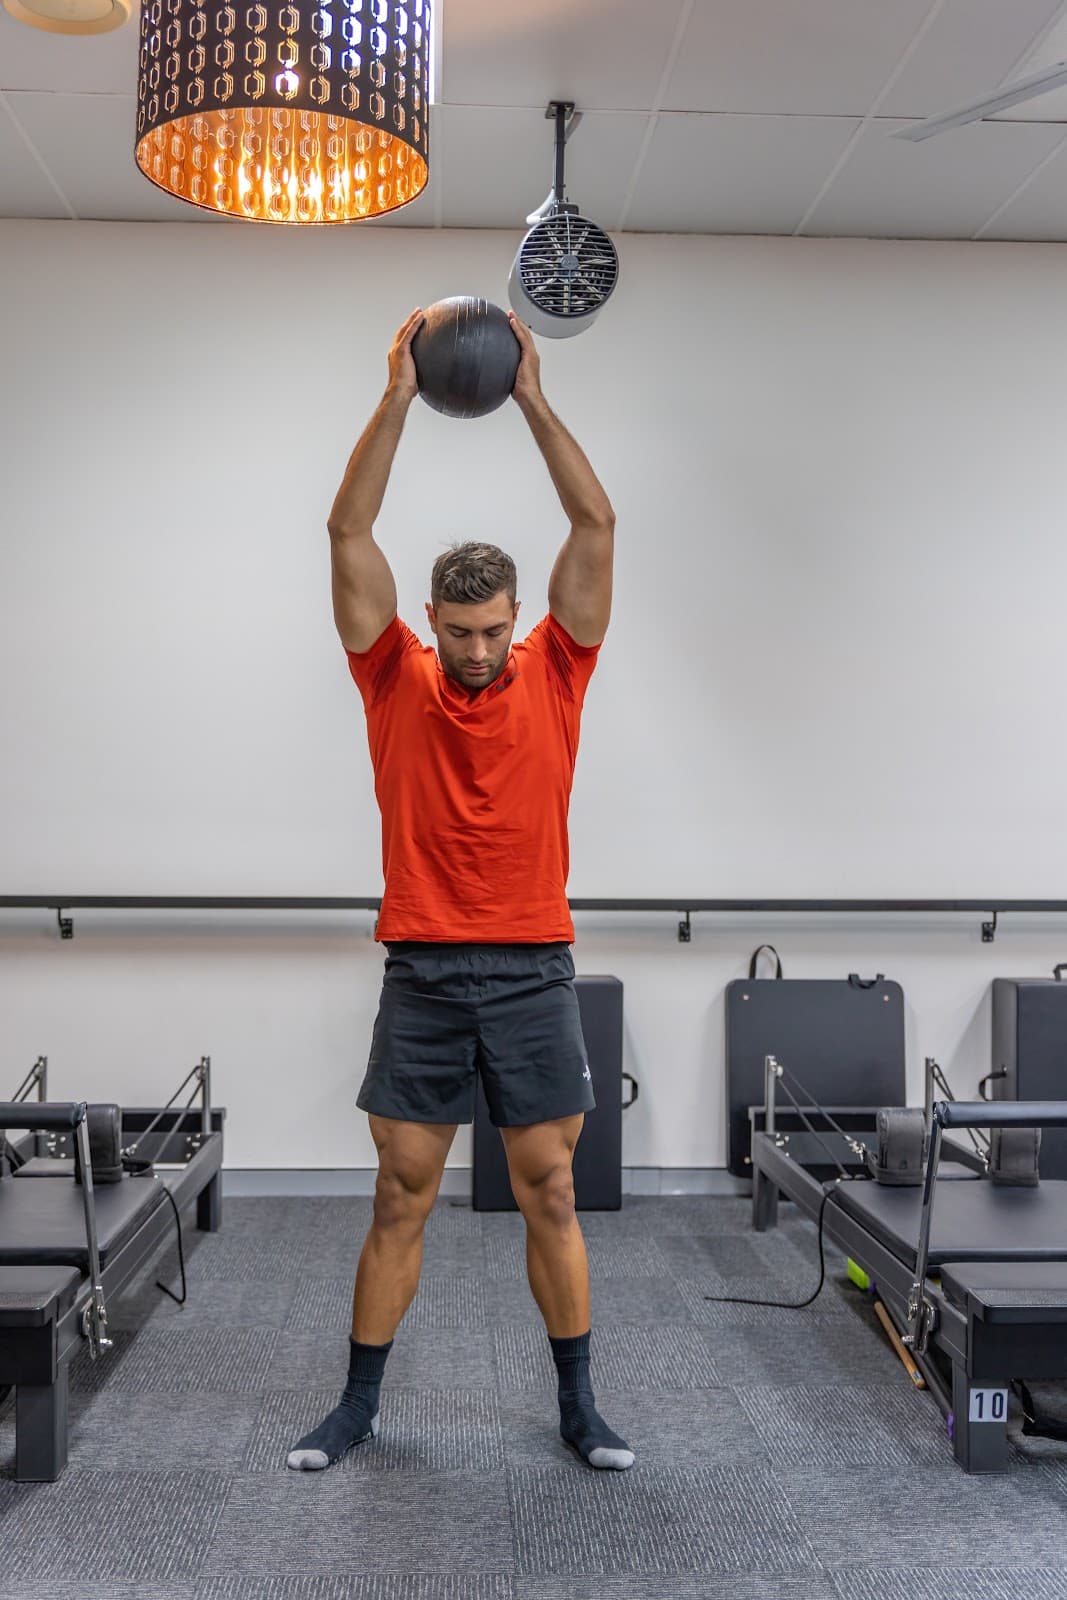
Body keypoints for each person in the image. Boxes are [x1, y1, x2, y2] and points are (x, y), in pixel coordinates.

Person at [287, 307, 632, 1473]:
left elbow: (594, 519)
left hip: (532, 966)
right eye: (460, 632)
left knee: (549, 1193)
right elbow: (346, 526)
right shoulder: (394, 677)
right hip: (425, 968)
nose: (479, 650)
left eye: (493, 629)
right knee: (401, 1192)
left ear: (514, 621)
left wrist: (530, 394)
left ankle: (579, 1407)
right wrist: (395, 397)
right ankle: (356, 1408)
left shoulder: (558, 667)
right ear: (431, 624)